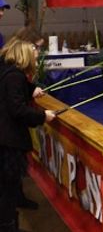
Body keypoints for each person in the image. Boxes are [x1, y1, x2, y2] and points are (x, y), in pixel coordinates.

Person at [0, 39, 56, 231]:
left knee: (8, 186)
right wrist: (42, 116)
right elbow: (17, 110)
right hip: (8, 141)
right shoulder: (14, 76)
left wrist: (32, 90)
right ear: (24, 54)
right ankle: (8, 226)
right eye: (34, 50)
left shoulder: (10, 72)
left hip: (5, 139)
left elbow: (19, 89)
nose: (36, 54)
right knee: (7, 188)